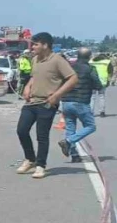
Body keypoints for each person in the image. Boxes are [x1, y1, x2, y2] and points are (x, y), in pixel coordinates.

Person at [17, 32, 78, 179]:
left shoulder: (57, 60)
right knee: (22, 130)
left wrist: (57, 95)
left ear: (45, 45)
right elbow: (34, 76)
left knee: (42, 136)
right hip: (32, 102)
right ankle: (30, 159)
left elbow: (73, 78)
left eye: (36, 44)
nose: (32, 47)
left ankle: (40, 165)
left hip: (47, 103)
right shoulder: (35, 59)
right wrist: (27, 87)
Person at [58, 48, 104, 163]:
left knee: (70, 127)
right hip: (81, 101)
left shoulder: (69, 67)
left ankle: (74, 154)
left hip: (66, 101)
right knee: (90, 126)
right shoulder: (90, 69)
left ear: (77, 56)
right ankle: (68, 141)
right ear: (89, 57)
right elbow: (97, 85)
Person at [90, 52, 111, 117]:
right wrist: (108, 81)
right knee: (102, 96)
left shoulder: (91, 61)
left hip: (92, 81)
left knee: (92, 97)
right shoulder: (107, 62)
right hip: (102, 82)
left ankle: (91, 112)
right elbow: (110, 72)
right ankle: (102, 112)